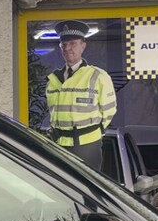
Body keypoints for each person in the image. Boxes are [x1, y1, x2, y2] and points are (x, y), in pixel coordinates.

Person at [44, 19, 117, 172]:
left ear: (83, 46)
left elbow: (109, 112)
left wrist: (91, 134)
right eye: (64, 44)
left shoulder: (98, 76)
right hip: (59, 144)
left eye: (73, 44)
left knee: (86, 190)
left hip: (87, 146)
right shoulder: (53, 79)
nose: (68, 48)